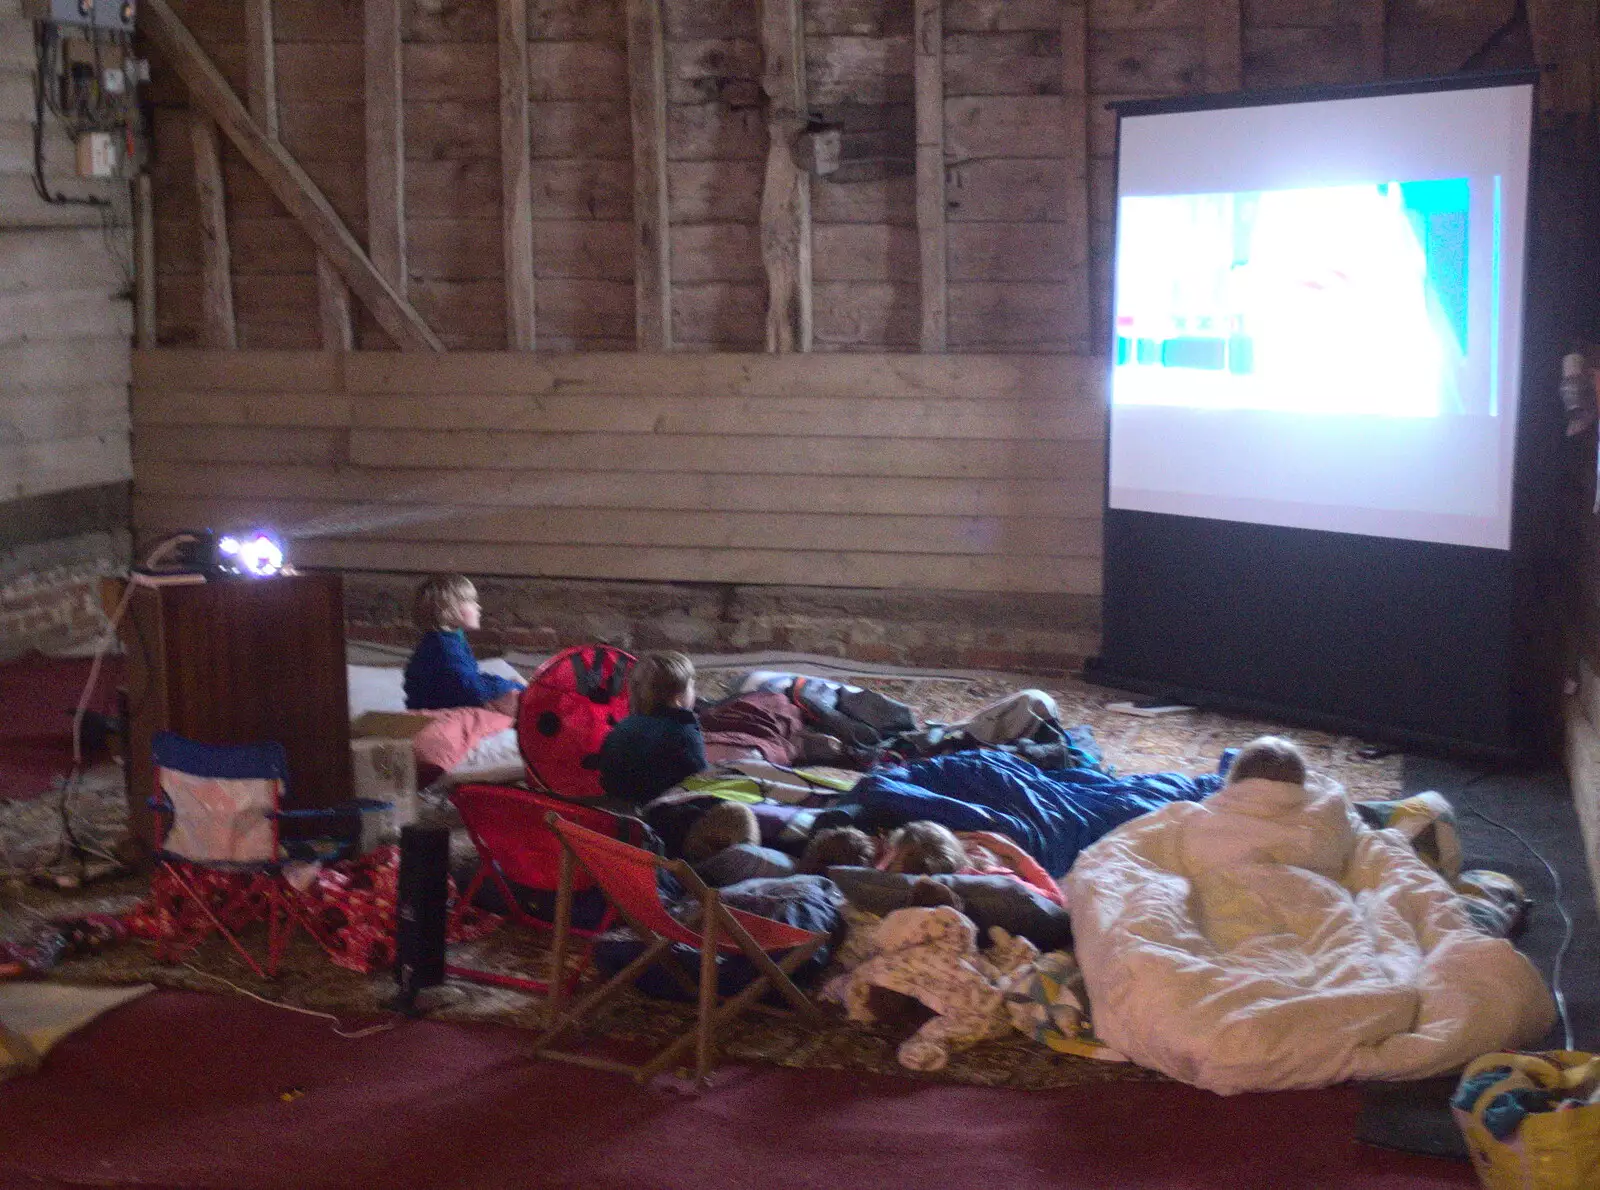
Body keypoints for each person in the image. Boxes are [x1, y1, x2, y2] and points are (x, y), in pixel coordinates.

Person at [596, 650, 707, 806]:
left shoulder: (621, 728)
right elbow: (700, 785)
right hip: (665, 819)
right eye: (691, 686)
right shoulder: (684, 735)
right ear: (677, 696)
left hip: (620, 818)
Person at [402, 574, 524, 713]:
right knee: (513, 702)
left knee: (509, 693)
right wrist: (510, 687)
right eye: (471, 602)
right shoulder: (443, 647)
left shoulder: (451, 639)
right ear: (448, 609)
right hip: (435, 713)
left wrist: (508, 684)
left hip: (450, 703)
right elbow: (471, 688)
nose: (478, 608)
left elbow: (468, 678)